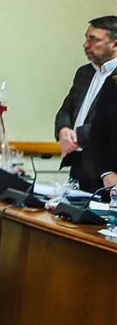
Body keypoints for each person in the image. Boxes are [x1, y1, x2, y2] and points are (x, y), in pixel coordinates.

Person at [54, 16, 117, 193]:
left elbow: (109, 124)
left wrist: (76, 136)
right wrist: (63, 130)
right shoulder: (84, 72)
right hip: (78, 163)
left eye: (93, 39)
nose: (86, 44)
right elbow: (66, 109)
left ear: (115, 44)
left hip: (107, 168)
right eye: (86, 38)